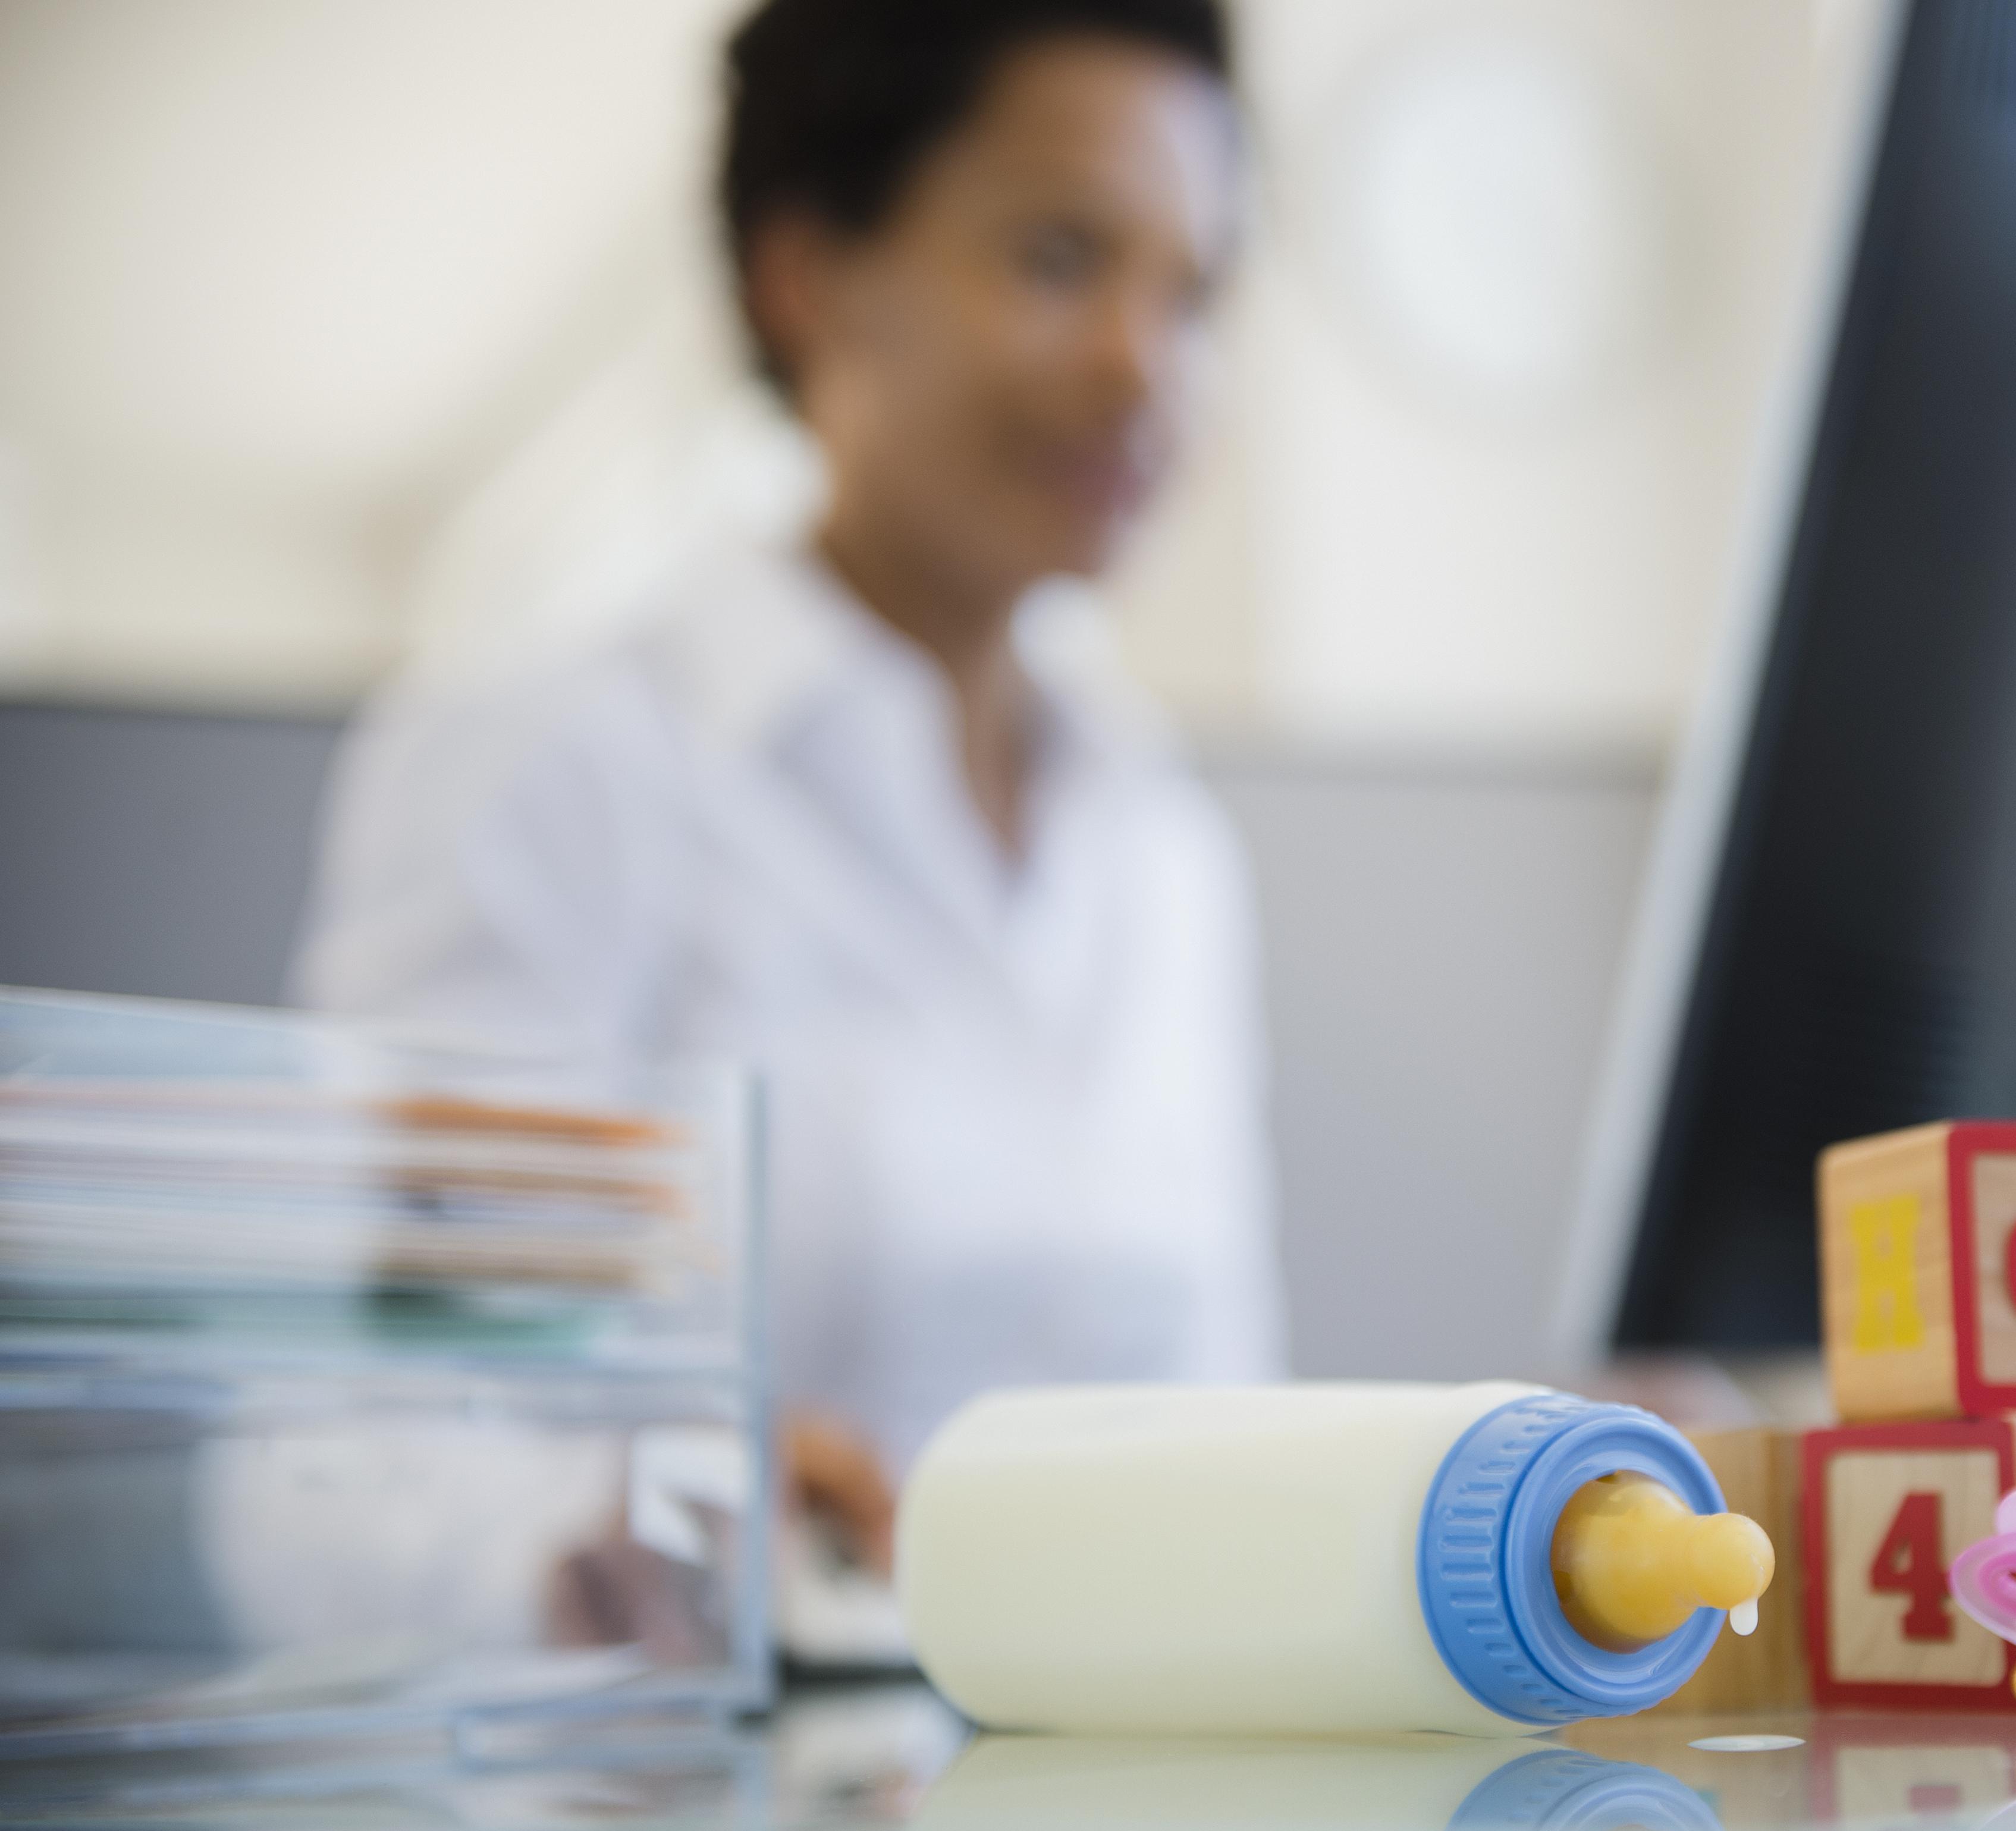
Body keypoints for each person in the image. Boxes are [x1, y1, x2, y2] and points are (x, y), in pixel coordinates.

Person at [296, 0, 1280, 1578]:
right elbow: (351, 1460)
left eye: (1195, 291)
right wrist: (652, 1519)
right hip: (703, 1794)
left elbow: (1231, 1410)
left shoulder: (1163, 847)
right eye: (1056, 259)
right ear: (808, 273)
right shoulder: (563, 764)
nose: (1140, 363)